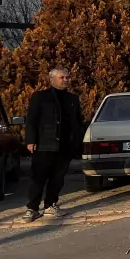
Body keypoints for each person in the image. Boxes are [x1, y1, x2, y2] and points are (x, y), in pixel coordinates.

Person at [23, 67, 85, 222]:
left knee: (57, 179)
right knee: (38, 178)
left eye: (67, 77)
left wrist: (77, 141)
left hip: (65, 147)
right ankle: (32, 208)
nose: (65, 80)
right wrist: (31, 140)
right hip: (44, 145)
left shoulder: (73, 99)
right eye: (62, 77)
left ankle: (50, 204)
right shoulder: (40, 97)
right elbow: (31, 120)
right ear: (52, 79)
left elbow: (78, 121)